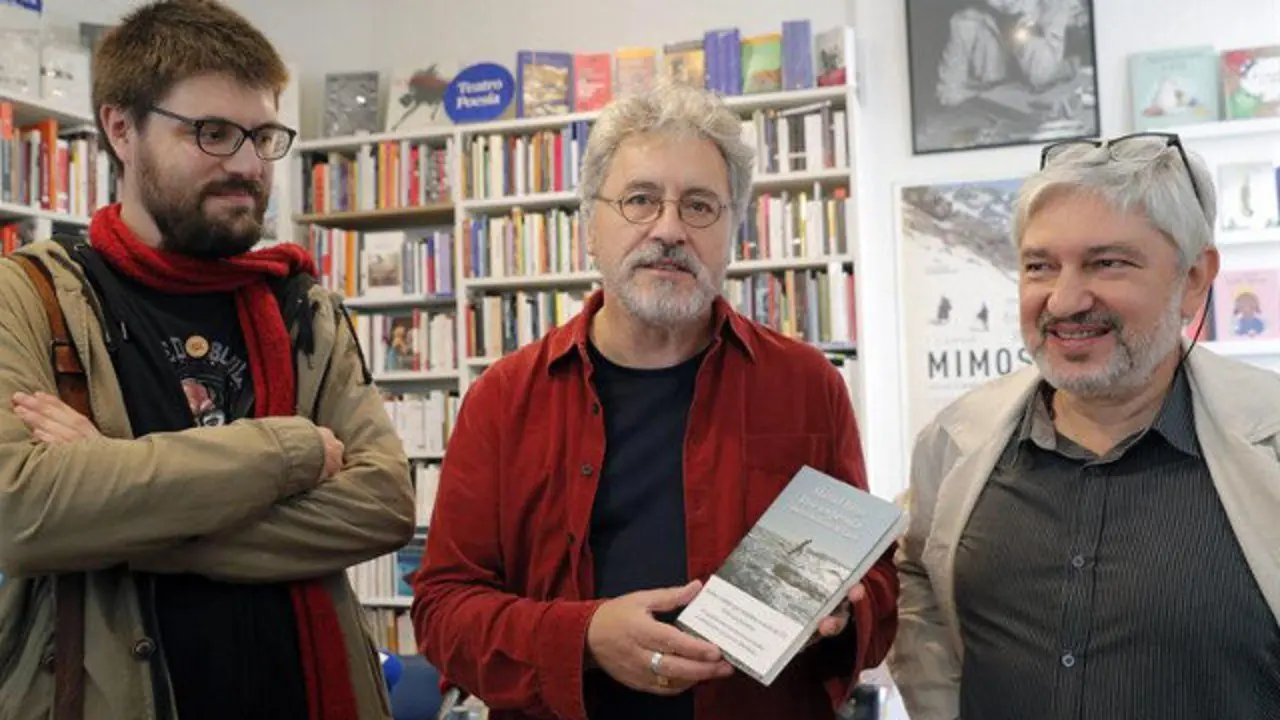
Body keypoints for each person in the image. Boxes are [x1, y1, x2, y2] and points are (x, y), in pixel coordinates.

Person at [411, 81, 898, 720]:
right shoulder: (502, 399)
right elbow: (442, 611)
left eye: (699, 206)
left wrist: (841, 614)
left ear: (734, 232)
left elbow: (878, 587)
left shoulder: (807, 385)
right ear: (590, 227)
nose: (669, 229)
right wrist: (583, 638)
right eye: (640, 200)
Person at [0, 1, 415, 718]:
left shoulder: (302, 308)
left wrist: (118, 509)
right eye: (214, 133)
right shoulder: (29, 295)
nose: (249, 165)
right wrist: (285, 452)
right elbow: (22, 510)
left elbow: (382, 506)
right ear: (121, 129)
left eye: (263, 136)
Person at [889, 132, 1280, 720]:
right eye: (1039, 266)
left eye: (1107, 263)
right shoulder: (952, 441)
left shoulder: (1268, 441)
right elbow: (919, 588)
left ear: (1195, 278)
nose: (1065, 301)